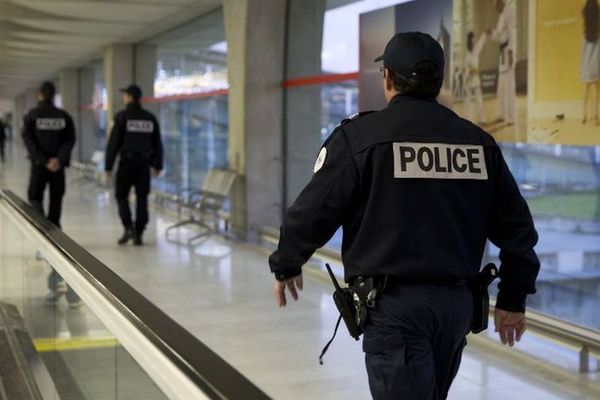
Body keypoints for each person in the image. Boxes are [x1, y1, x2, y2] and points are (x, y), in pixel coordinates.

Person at [268, 32, 540, 400]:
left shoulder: (360, 139)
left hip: (394, 309)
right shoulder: (477, 144)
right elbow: (517, 229)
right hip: (455, 308)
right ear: (439, 82)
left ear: (388, 79)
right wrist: (513, 298)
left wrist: (287, 262)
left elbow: (314, 210)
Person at [22, 81, 80, 307]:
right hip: (58, 168)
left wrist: (43, 160)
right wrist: (58, 160)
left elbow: (27, 139)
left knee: (35, 198)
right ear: (53, 95)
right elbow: (69, 139)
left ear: (40, 94)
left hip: (40, 166)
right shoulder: (64, 116)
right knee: (56, 202)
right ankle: (54, 233)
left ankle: (42, 232)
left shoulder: (32, 115)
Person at [105, 84, 163, 246]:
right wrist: (158, 164)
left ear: (129, 97)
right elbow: (157, 143)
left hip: (126, 163)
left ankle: (128, 227)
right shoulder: (150, 118)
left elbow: (113, 143)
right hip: (144, 164)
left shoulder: (122, 117)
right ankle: (139, 233)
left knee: (121, 195)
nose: (124, 98)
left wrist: (108, 166)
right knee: (142, 197)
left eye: (125, 95)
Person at [488, 0, 517, 125]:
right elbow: (500, 37)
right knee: (501, 87)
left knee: (509, 86)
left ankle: (511, 117)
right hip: (502, 54)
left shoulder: (509, 10)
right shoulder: (501, 16)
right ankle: (501, 114)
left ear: (501, 2)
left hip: (508, 52)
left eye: (496, 6)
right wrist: (492, 34)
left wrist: (511, 51)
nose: (496, 9)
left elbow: (512, 32)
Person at [581, 0, 600, 124]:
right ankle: (596, 115)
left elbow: (583, 50)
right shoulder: (598, 30)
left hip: (586, 62)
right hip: (595, 62)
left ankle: (584, 115)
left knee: (586, 88)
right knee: (595, 88)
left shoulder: (585, 30)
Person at [465, 31, 487, 125]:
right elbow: (466, 68)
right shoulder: (468, 54)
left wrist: (485, 34)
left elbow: (480, 43)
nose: (473, 41)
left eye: (473, 39)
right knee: (468, 100)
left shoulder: (475, 50)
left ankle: (482, 119)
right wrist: (469, 71)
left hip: (476, 78)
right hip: (469, 79)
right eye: (472, 39)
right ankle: (467, 119)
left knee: (479, 99)